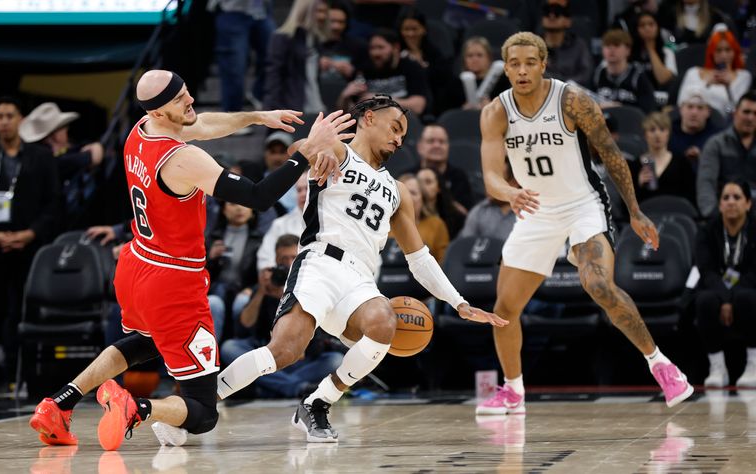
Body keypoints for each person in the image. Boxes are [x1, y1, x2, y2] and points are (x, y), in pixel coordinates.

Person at [28, 69, 348, 450]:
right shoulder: (182, 159)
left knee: (144, 342)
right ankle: (138, 407)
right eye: (180, 100)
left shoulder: (141, 130)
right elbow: (259, 196)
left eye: (187, 92)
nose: (190, 101)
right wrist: (307, 152)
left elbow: (202, 124)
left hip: (137, 265)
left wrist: (255, 117)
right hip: (172, 282)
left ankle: (58, 404)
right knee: (202, 410)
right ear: (159, 112)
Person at [216, 94, 507, 442]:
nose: (400, 139)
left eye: (404, 134)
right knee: (284, 351)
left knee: (385, 321)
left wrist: (458, 302)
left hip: (360, 279)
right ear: (368, 118)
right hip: (320, 263)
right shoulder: (337, 152)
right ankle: (203, 400)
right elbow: (297, 148)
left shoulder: (398, 190)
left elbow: (420, 258)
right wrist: (316, 148)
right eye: (395, 127)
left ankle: (318, 402)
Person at [478, 32, 693, 415]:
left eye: (531, 62)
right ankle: (513, 390)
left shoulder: (572, 100)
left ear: (544, 64)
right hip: (534, 209)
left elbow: (611, 156)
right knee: (504, 310)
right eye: (515, 63)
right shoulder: (496, 111)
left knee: (597, 284)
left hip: (582, 204)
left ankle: (661, 364)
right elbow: (491, 175)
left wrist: (635, 210)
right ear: (506, 66)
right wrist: (508, 194)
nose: (523, 70)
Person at [0, 96, 61, 396]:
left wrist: (30, 233)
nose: (5, 121)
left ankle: (23, 375)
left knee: (25, 311)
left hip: (29, 246)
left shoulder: (41, 157)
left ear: (21, 119)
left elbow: (53, 202)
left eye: (10, 115)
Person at [223, 234, 344, 398]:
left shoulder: (312, 283)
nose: (288, 264)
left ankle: (270, 387)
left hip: (301, 359)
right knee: (230, 348)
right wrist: (261, 291)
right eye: (283, 259)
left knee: (335, 360)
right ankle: (293, 387)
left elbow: (316, 339)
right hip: (267, 356)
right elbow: (246, 323)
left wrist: (290, 298)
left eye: (293, 257)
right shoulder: (269, 282)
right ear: (275, 259)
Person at [695, 179, 756, 388]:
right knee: (704, 300)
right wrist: (725, 297)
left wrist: (730, 298)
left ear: (748, 203)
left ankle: (753, 364)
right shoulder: (707, 230)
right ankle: (717, 367)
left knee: (746, 297)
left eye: (737, 197)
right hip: (716, 287)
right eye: (725, 198)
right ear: (719, 204)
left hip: (749, 288)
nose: (731, 202)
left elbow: (754, 272)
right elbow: (705, 270)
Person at [18, 102, 105, 227]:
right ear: (55, 135)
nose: (67, 130)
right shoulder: (49, 162)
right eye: (64, 127)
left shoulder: (47, 157)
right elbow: (93, 156)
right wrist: (95, 147)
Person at [337, 29, 430, 116]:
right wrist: (344, 97)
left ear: (396, 48)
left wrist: (383, 100)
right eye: (372, 48)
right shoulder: (363, 69)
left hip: (403, 121)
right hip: (371, 124)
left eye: (381, 47)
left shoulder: (411, 67)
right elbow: (349, 113)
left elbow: (418, 107)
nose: (375, 53)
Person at [696, 92, 756, 218]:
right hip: (723, 216)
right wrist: (712, 214)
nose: (750, 118)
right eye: (746, 112)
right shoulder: (716, 144)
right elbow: (706, 183)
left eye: (755, 114)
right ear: (735, 113)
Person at [263, 0, 327, 113]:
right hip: (292, 107)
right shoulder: (282, 38)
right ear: (305, 11)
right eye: (318, 11)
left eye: (325, 11)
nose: (323, 16)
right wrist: (274, 110)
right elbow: (274, 77)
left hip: (315, 106)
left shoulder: (315, 39)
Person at [677, 24, 752, 117]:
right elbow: (681, 102)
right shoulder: (693, 73)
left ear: (735, 51)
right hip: (695, 119)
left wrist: (728, 88)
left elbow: (739, 111)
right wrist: (706, 85)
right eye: (719, 50)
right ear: (711, 52)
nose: (724, 55)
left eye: (728, 50)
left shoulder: (743, 76)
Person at [628, 111, 696, 204]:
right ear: (645, 135)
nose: (657, 134)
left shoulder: (681, 162)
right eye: (652, 130)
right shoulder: (634, 166)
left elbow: (690, 196)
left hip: (675, 213)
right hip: (647, 213)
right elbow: (627, 203)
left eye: (662, 129)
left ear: (668, 133)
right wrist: (638, 183)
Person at [592, 29, 657, 113]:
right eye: (607, 45)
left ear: (628, 50)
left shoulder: (637, 76)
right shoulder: (598, 74)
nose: (611, 49)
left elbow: (649, 110)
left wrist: (621, 108)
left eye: (616, 45)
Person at [540, 0, 593, 87]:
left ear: (568, 21)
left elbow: (586, 74)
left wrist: (566, 84)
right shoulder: (533, 45)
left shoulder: (579, 46)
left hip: (572, 94)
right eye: (547, 12)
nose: (551, 16)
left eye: (558, 13)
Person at [668, 87, 721, 173]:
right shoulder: (668, 134)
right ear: (681, 109)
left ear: (708, 112)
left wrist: (702, 159)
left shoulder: (716, 138)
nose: (694, 112)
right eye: (690, 107)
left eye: (700, 108)